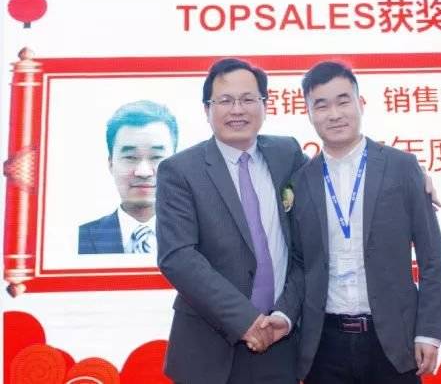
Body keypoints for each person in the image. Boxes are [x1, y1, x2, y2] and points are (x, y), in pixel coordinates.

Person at [266, 61, 441, 384]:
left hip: (393, 339)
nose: (334, 114)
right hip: (325, 344)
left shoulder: (401, 167)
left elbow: (431, 256)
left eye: (343, 101)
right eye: (321, 105)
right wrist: (284, 314)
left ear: (360, 104)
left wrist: (429, 332)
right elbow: (301, 263)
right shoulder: (301, 181)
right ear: (309, 113)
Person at [156, 58, 306, 384]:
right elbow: (177, 256)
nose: (237, 110)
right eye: (225, 100)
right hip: (208, 349)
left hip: (282, 342)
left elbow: (306, 245)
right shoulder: (180, 171)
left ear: (264, 105)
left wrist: (285, 314)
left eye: (248, 99)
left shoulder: (288, 154)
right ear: (206, 109)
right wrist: (245, 320)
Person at [78, 100, 178, 254]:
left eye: (156, 157)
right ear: (111, 163)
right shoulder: (80, 240)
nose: (143, 172)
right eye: (130, 157)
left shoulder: (203, 237)